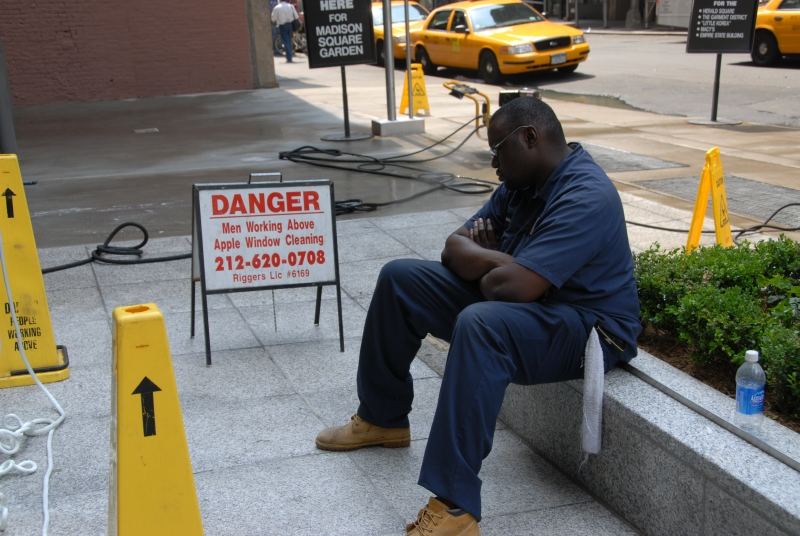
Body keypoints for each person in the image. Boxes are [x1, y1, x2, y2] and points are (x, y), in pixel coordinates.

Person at [315, 97, 641, 535]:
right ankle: (382, 418)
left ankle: (455, 508)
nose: (493, 164)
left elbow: (507, 288)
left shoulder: (585, 194)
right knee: (401, 278)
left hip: (588, 329)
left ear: (530, 138)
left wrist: (494, 262)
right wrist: (503, 260)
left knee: (482, 323)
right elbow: (453, 247)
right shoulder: (520, 184)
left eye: (497, 149)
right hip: (538, 307)